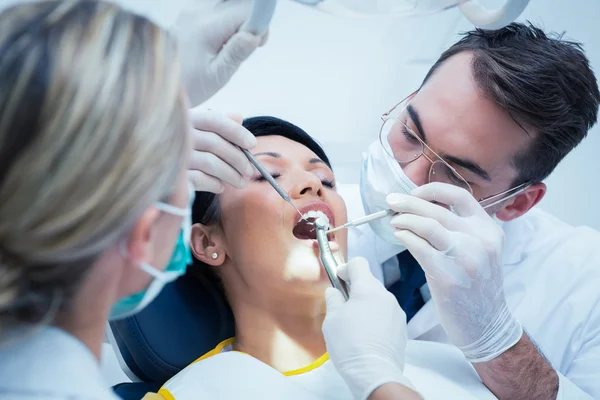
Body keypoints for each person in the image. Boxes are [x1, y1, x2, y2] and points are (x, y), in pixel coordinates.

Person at [147, 117, 499, 400]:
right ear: (208, 241)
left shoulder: (453, 366)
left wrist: (380, 372)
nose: (311, 185)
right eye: (268, 175)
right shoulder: (192, 393)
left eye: (325, 180)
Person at [348, 22, 600, 399]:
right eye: (410, 133)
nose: (407, 178)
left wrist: (495, 337)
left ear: (518, 202)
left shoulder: (586, 281)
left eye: (454, 173)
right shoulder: (322, 206)